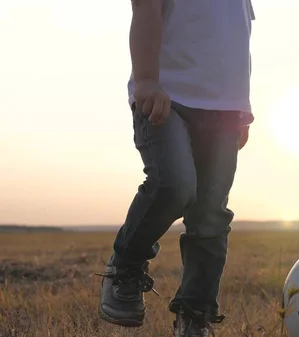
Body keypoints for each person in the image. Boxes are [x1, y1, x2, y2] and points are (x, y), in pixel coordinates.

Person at [96, 0, 256, 336]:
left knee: (211, 213)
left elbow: (238, 38)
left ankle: (195, 312)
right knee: (174, 185)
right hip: (166, 98)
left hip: (225, 112)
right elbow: (145, 9)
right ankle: (125, 266)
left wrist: (243, 105)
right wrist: (146, 80)